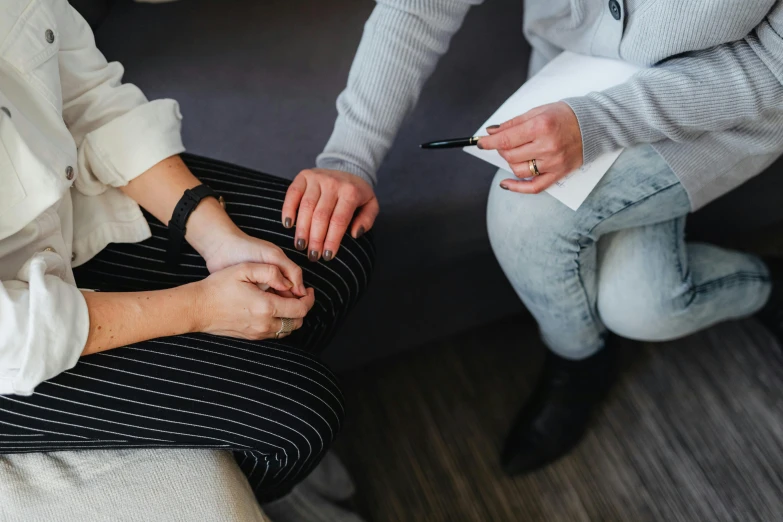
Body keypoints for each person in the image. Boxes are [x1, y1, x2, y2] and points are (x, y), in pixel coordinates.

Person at [285, 0, 783, 475]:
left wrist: (597, 121)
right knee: (644, 307)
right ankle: (754, 290)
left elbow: (770, 66)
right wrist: (348, 159)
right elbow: (418, 7)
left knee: (528, 217)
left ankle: (577, 363)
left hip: (722, 103)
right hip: (574, 68)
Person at [0, 0, 373, 505]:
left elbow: (87, 97)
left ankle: (253, 422)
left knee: (337, 258)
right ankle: (273, 483)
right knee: (301, 415)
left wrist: (217, 237)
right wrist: (201, 307)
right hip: (12, 346)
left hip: (63, 217)